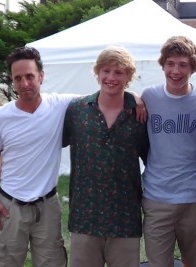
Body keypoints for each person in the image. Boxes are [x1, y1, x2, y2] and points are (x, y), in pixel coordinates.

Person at [63, 46, 149, 267]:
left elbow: (152, 160)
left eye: (119, 72)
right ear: (97, 72)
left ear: (129, 77)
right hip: (85, 217)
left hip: (125, 218)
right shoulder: (77, 110)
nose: (111, 77)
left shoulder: (139, 114)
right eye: (106, 71)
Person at [0, 47, 71, 266]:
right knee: (6, 262)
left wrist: (134, 98)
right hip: (10, 206)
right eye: (18, 78)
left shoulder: (59, 105)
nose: (24, 84)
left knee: (52, 262)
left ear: (41, 76)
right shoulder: (1, 117)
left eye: (30, 76)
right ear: (12, 81)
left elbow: (100, 97)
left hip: (47, 206)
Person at [141, 35, 196, 267]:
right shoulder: (148, 97)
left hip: (195, 199)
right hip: (156, 198)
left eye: (183, 64)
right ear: (162, 64)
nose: (176, 70)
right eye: (170, 63)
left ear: (193, 67)